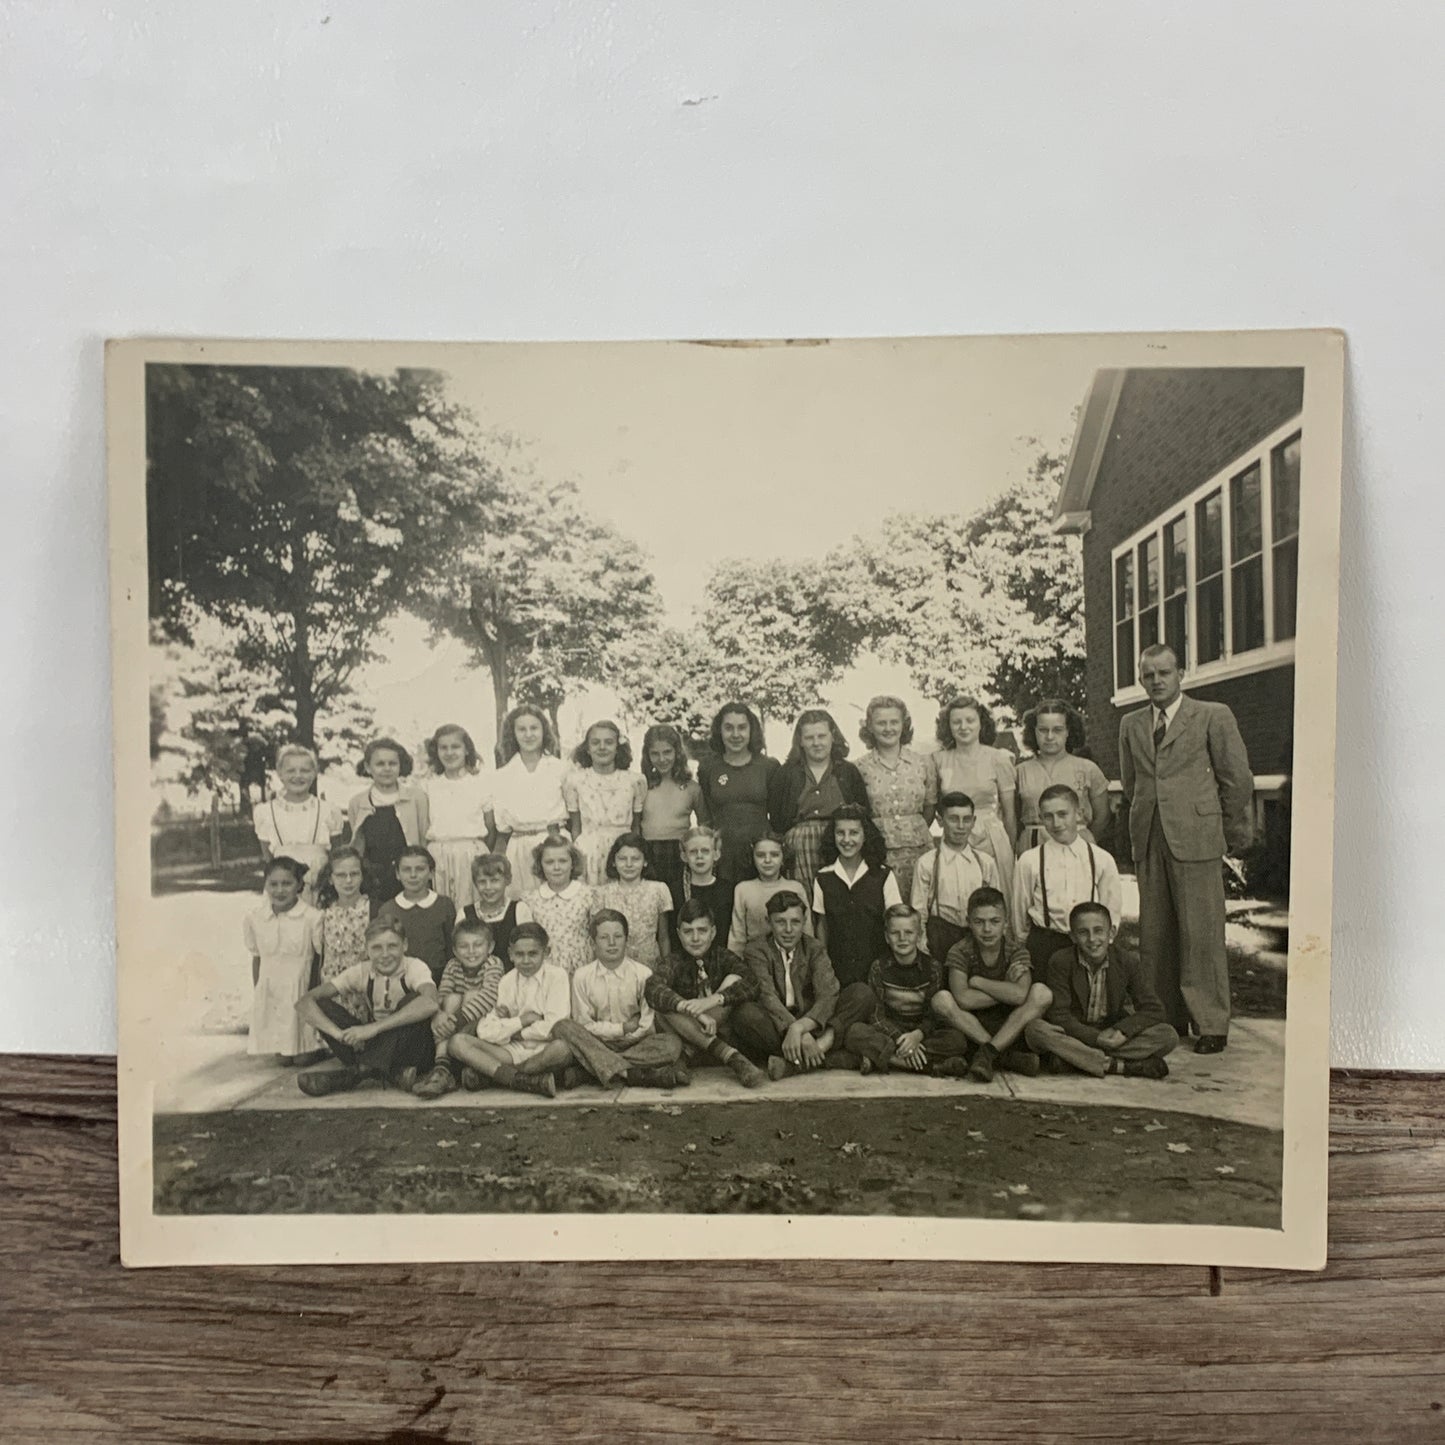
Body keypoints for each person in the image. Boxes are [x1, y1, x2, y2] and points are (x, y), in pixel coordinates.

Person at [1119, 644, 1254, 1053]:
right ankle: (1167, 1016)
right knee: (1155, 933)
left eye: (1164, 672)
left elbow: (1237, 779)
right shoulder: (1131, 724)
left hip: (1196, 835)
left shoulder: (1212, 716)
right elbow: (1131, 784)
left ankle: (1211, 1023)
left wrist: (1220, 825)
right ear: (1141, 679)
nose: (1156, 681)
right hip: (1149, 834)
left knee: (1201, 932)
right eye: (1148, 674)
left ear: (1181, 673)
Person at [1023, 902, 1178, 1079]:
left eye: (1098, 931)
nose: (1092, 939)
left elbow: (1153, 1009)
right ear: (1072, 936)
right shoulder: (1061, 961)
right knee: (1035, 1030)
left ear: (1111, 933)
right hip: (1075, 1033)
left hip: (1110, 1031)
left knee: (1168, 1035)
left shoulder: (1127, 961)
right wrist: (1096, 1039)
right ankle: (1119, 1066)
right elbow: (1060, 1016)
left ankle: (1075, 1059)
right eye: (1083, 932)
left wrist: (1123, 1031)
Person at [733, 892, 876, 1076]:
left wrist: (801, 1027)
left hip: (813, 1021)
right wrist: (794, 1030)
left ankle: (797, 1063)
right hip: (778, 1024)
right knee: (745, 1014)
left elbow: (828, 994)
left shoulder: (814, 948)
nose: (788, 929)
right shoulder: (756, 950)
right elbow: (767, 996)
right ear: (768, 921)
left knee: (862, 993)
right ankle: (829, 1055)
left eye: (795, 922)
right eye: (780, 922)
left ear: (804, 921)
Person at [294, 919, 440, 1095]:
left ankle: (356, 1074)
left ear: (405, 945)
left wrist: (373, 1028)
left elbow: (431, 1001)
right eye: (377, 948)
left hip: (412, 1049)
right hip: (371, 1046)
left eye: (392, 946)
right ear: (367, 949)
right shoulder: (362, 971)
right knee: (320, 1004)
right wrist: (339, 1035)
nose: (385, 954)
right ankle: (392, 1073)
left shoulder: (414, 967)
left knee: (413, 1000)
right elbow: (304, 1002)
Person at [549, 911, 689, 1090]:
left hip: (635, 1043)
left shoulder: (643, 974)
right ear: (593, 943)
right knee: (563, 1027)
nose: (612, 943)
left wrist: (627, 1035)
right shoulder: (582, 976)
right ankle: (631, 1074)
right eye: (604, 937)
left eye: (618, 936)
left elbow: (646, 1026)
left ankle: (590, 1071)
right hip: (597, 1041)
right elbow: (584, 1024)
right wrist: (622, 1028)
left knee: (672, 1044)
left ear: (626, 939)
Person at [645, 898, 768, 1087]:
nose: (695, 938)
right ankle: (731, 1056)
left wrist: (712, 1001)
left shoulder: (723, 956)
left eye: (702, 931)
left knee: (733, 980)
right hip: (687, 1033)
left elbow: (752, 982)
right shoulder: (673, 961)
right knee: (663, 1003)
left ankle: (687, 1054)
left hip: (715, 1030)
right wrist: (691, 1011)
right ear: (679, 934)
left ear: (713, 932)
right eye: (688, 931)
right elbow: (652, 987)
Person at [932, 886, 1051, 1082]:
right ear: (968, 923)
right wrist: (1006, 989)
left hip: (1010, 1024)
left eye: (994, 921)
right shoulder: (960, 950)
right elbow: (963, 999)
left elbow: (1021, 996)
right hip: (972, 1026)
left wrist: (977, 981)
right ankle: (1000, 1055)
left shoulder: (1015, 950)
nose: (987, 929)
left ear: (1005, 923)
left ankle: (987, 1053)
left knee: (1042, 993)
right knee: (941, 1000)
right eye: (979, 922)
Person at [840, 906, 973, 1077]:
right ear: (887, 937)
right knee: (854, 1032)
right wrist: (902, 1039)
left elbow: (933, 1014)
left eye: (909, 933)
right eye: (895, 933)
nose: (902, 938)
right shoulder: (879, 968)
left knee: (957, 1041)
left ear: (919, 935)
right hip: (890, 1030)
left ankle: (884, 1058)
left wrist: (917, 1036)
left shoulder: (932, 968)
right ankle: (926, 1066)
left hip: (921, 1033)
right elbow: (876, 1016)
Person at [446, 922, 569, 1098]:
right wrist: (522, 1021)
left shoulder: (557, 977)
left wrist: (513, 1031)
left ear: (546, 952)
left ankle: (499, 1075)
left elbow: (554, 1028)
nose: (526, 961)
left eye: (533, 954)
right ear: (510, 954)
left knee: (562, 1049)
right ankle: (522, 1080)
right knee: (457, 1042)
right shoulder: (507, 981)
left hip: (544, 1050)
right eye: (519, 954)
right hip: (511, 1051)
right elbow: (486, 1031)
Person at [1012, 784, 1123, 973]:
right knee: (1044, 997)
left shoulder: (1101, 859)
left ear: (1078, 814)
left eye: (1063, 814)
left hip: (1087, 944)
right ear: (1040, 818)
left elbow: (1111, 908)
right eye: (1048, 816)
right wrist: (1023, 946)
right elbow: (1019, 911)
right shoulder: (1029, 860)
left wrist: (1102, 944)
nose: (1056, 823)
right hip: (1045, 943)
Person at [770, 709, 870, 900]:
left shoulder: (848, 772)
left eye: (822, 736)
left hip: (840, 843)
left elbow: (863, 814)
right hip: (799, 851)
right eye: (809, 738)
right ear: (800, 741)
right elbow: (776, 818)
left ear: (833, 736)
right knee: (803, 901)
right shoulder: (787, 773)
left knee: (838, 898)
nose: (816, 743)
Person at [931, 695, 1017, 901]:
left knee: (995, 899)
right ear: (948, 726)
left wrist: (1010, 851)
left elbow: (1010, 813)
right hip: (955, 835)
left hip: (992, 838)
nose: (963, 727)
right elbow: (934, 805)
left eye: (970, 720)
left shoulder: (998, 758)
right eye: (956, 722)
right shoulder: (939, 760)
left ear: (981, 724)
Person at [411, 918, 507, 1098]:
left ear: (490, 947)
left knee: (472, 995)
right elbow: (442, 995)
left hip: (483, 1028)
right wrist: (441, 1017)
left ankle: (450, 1067)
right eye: (463, 946)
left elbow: (489, 997)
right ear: (455, 950)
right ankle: (443, 1067)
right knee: (451, 998)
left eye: (478, 945)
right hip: (454, 1028)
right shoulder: (453, 965)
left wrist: (453, 1022)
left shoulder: (493, 964)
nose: (471, 952)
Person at [854, 695, 937, 897]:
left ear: (904, 724)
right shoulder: (859, 767)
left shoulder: (923, 762)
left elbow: (930, 807)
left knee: (920, 906)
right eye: (881, 723)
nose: (888, 728)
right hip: (879, 853)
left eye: (894, 722)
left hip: (919, 850)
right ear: (870, 727)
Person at [811, 803, 902, 989]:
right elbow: (823, 926)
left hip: (877, 971)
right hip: (838, 972)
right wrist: (824, 969)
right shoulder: (823, 878)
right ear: (832, 836)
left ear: (865, 835)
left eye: (854, 833)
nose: (846, 840)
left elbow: (895, 922)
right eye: (840, 833)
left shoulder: (883, 875)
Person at [244, 856, 324, 1065]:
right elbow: (257, 958)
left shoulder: (312, 917)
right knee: (283, 1059)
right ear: (266, 885)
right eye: (274, 884)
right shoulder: (255, 918)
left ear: (299, 885)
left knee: (302, 1059)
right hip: (271, 988)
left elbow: (320, 960)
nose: (280, 890)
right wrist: (259, 990)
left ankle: (315, 1047)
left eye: (287, 884)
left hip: (300, 989)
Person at [695, 702, 782, 884]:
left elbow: (777, 818)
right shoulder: (708, 767)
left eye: (742, 728)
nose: (735, 735)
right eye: (729, 728)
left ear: (752, 730)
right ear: (720, 731)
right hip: (723, 856)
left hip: (760, 855)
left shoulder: (769, 766)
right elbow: (707, 815)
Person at [910, 791, 1001, 961]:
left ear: (973, 822)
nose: (960, 826)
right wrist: (922, 946)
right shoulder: (927, 863)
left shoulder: (985, 862)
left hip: (977, 940)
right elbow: (919, 911)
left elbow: (996, 909)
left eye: (966, 819)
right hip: (940, 939)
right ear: (940, 821)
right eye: (953, 819)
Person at [490, 704, 569, 899]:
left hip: (553, 843)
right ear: (513, 734)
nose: (528, 734)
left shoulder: (561, 769)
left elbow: (574, 813)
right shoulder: (502, 776)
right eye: (521, 729)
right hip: (518, 848)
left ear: (544, 730)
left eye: (534, 728)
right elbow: (502, 830)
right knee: (523, 905)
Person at [1015, 699, 1112, 854]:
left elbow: (1102, 816)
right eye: (1043, 730)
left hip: (1077, 843)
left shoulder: (1088, 769)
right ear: (1034, 732)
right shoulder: (1020, 772)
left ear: (1068, 731)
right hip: (1034, 844)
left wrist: (1083, 839)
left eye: (1057, 730)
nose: (1050, 736)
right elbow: (1014, 818)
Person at [252, 744, 343, 906]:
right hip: (283, 887)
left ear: (314, 773)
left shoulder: (328, 811)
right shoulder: (266, 812)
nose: (298, 776)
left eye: (305, 770)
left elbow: (336, 855)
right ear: (280, 774)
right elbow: (268, 857)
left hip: (319, 886)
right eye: (291, 771)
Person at [348, 737, 430, 906]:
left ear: (401, 766)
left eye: (392, 764)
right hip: (374, 880)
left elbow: (423, 838)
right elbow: (358, 844)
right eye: (380, 764)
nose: (386, 769)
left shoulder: (416, 798)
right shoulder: (358, 802)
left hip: (409, 876)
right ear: (368, 767)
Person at [564, 719, 647, 885]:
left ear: (618, 747)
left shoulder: (634, 781)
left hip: (622, 851)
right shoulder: (575, 781)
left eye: (609, 742)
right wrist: (579, 855)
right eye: (595, 743)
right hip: (588, 851)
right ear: (587, 748)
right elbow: (576, 826)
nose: (602, 747)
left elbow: (636, 826)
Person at [422, 723, 495, 913]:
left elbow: (491, 826)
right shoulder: (429, 786)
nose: (449, 753)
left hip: (472, 854)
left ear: (467, 750)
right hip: (438, 855)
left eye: (455, 747)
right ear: (436, 752)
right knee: (442, 909)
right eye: (443, 748)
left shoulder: (480, 784)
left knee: (472, 910)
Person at [639, 723, 703, 911]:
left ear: (677, 752)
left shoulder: (692, 788)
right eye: (655, 754)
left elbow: (705, 825)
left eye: (667, 752)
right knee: (651, 909)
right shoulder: (642, 786)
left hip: (679, 857)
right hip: (648, 855)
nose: (662, 759)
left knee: (678, 907)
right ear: (647, 756)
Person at [375, 845, 457, 984]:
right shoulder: (388, 910)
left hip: (440, 981)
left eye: (420, 869)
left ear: (431, 873)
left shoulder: (444, 905)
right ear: (397, 874)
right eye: (406, 870)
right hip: (401, 981)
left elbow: (452, 950)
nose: (413, 875)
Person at [591, 831, 674, 968]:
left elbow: (664, 937)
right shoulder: (602, 893)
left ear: (645, 861)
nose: (629, 864)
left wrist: (667, 968)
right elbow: (596, 937)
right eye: (622, 859)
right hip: (614, 966)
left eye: (635, 859)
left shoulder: (659, 890)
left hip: (650, 965)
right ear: (613, 862)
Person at [313, 845, 373, 1021]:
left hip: (363, 988)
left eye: (354, 874)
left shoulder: (373, 909)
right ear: (330, 879)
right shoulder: (323, 914)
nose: (348, 881)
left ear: (362, 876)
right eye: (341, 875)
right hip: (332, 988)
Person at [727, 832, 812, 955]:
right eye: (761, 855)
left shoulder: (796, 888)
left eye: (774, 855)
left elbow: (807, 932)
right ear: (752, 858)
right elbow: (737, 937)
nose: (767, 860)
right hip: (755, 959)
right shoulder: (743, 889)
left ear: (783, 857)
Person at [524, 834, 594, 976]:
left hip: (581, 970)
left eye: (563, 861)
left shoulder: (588, 895)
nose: (556, 867)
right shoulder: (531, 899)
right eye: (549, 862)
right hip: (546, 972)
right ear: (540, 865)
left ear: (572, 863)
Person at [460, 852, 533, 966]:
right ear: (475, 883)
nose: (488, 887)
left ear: (507, 880)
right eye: (482, 882)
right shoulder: (465, 913)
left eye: (494, 881)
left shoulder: (519, 909)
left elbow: (528, 947)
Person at [677, 825, 735, 944]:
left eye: (705, 851)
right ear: (684, 856)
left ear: (716, 854)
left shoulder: (728, 890)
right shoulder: (675, 890)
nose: (699, 856)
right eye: (693, 851)